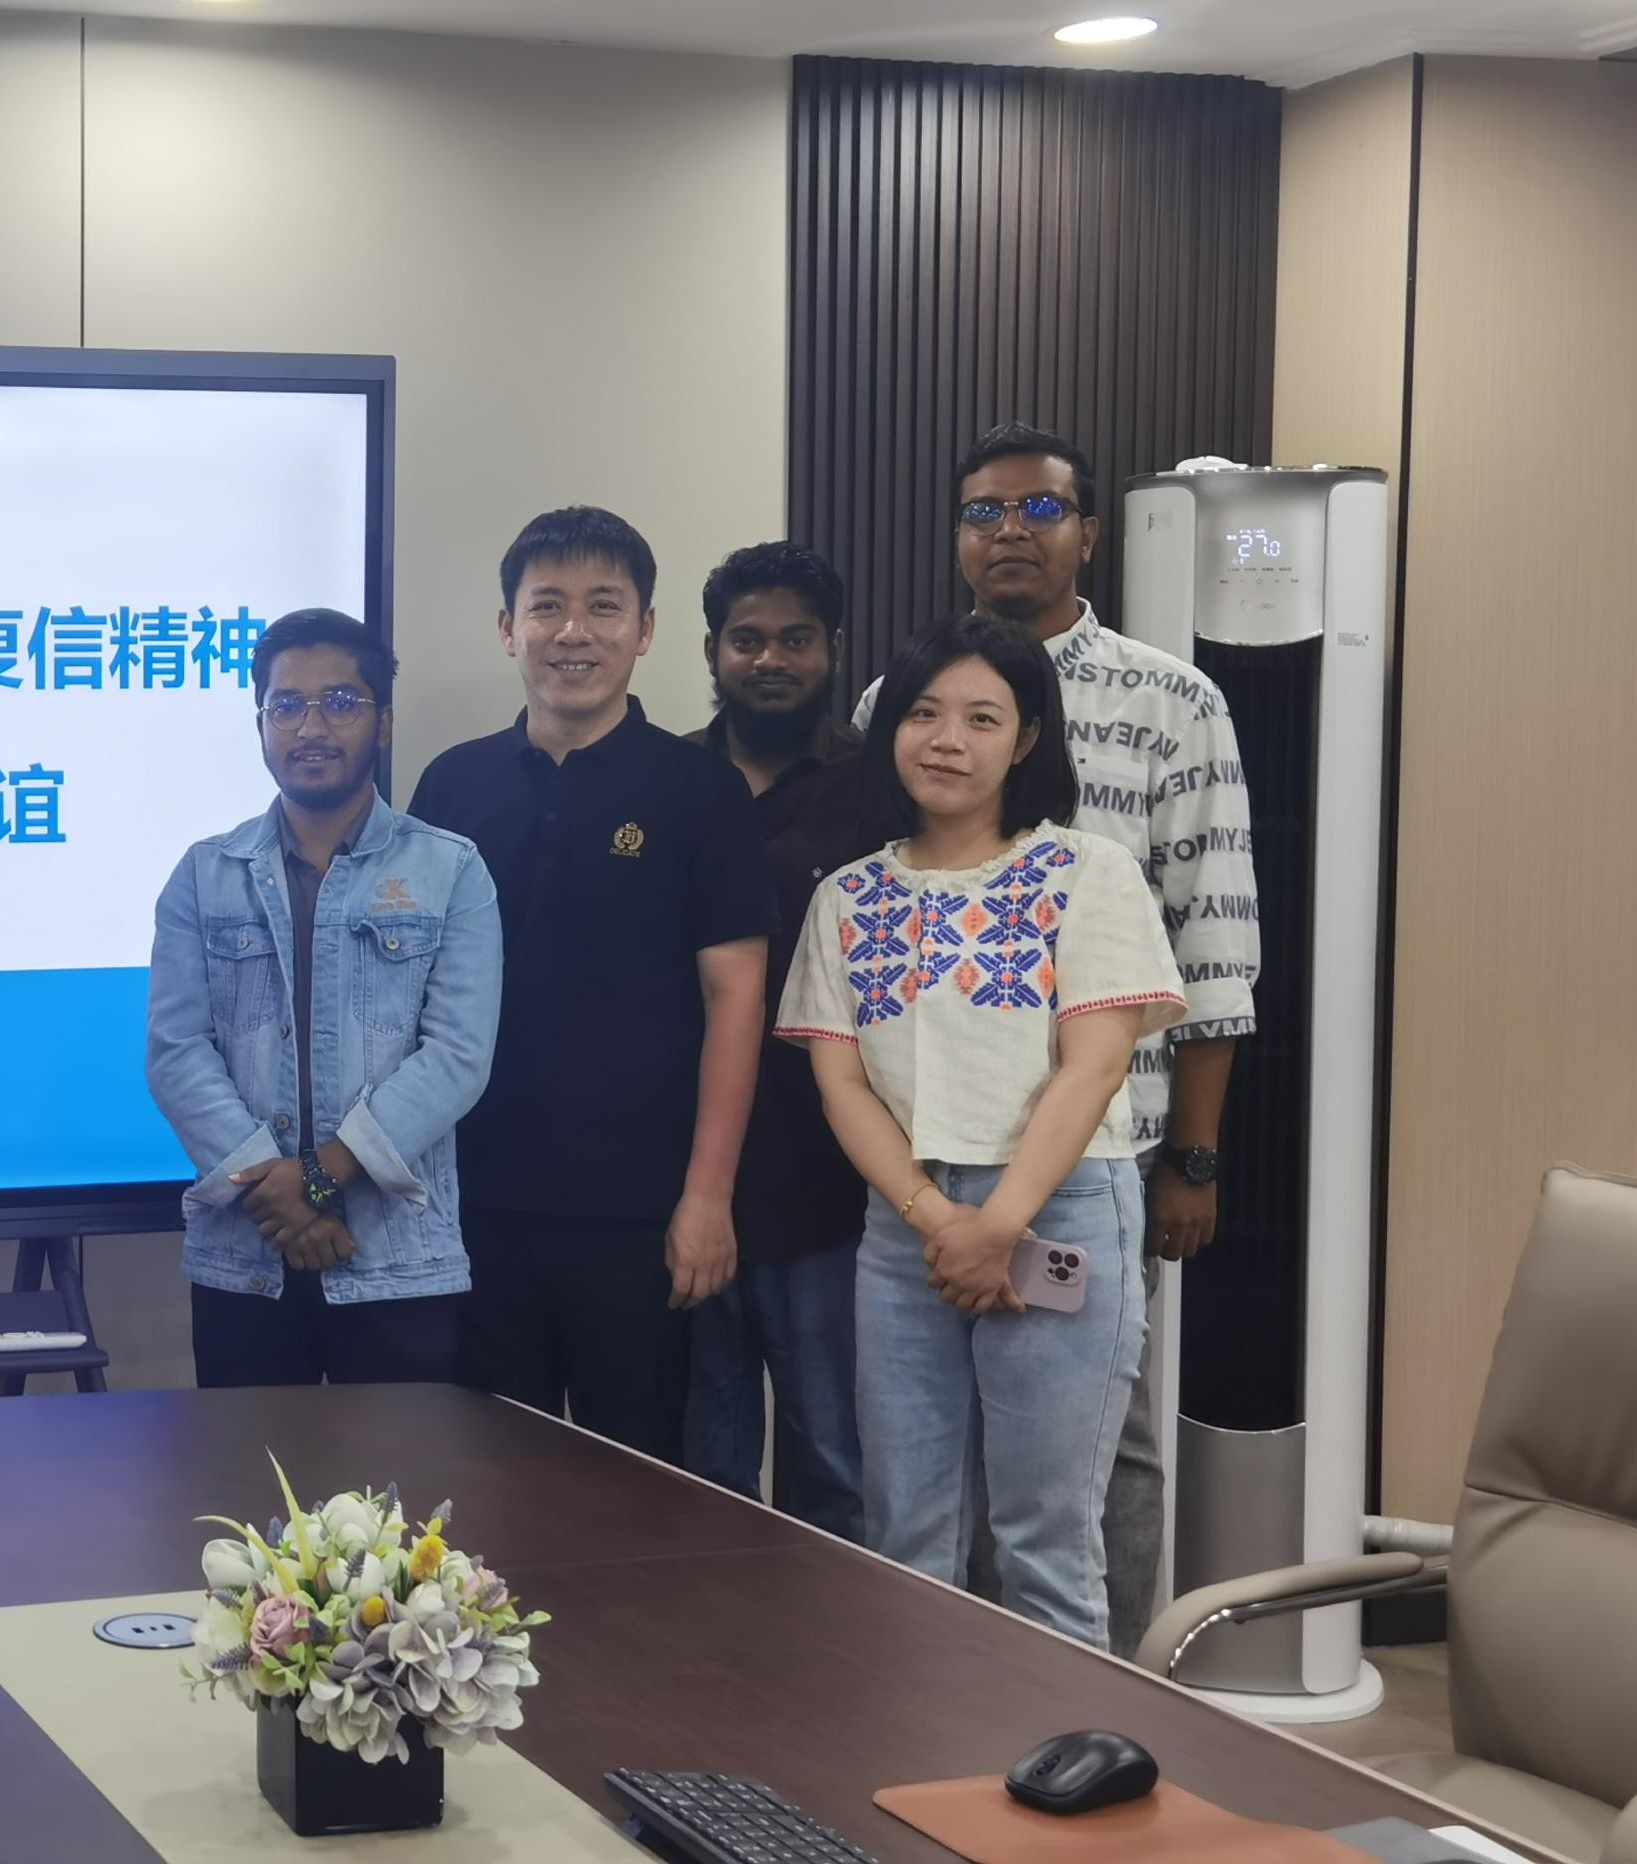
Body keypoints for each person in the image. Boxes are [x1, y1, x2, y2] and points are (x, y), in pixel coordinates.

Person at [860, 423, 1262, 1648]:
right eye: (983, 512)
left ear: (1088, 532)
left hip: (1095, 1151)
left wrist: (1192, 1155)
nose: (1010, 532)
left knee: (1092, 1453)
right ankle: (955, 1696)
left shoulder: (1172, 697)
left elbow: (1215, 940)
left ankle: (1106, 1698)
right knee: (927, 1479)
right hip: (925, 1156)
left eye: (1039, 510)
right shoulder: (890, 703)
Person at [782, 618, 1186, 1647]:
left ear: (1026, 739)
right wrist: (937, 1219)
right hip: (904, 1229)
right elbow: (840, 1082)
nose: (947, 740)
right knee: (905, 1535)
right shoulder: (847, 896)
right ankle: (925, 1746)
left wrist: (996, 1224)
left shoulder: (1088, 872)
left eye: (981, 718)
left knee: (1045, 1540)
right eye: (922, 714)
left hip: (1059, 1212)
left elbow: (1095, 1065)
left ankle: (1065, 1749)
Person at [407, 508, 765, 1457]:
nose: (574, 632)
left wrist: (708, 1198)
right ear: (507, 627)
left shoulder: (702, 791)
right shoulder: (452, 786)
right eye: (547, 606)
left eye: (604, 607)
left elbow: (735, 999)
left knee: (633, 1494)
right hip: (473, 1203)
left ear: (645, 630)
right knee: (485, 1483)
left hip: (639, 1214)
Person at [147, 608, 499, 1387]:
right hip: (247, 1259)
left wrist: (318, 1178)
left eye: (340, 702)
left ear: (384, 722)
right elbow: (177, 1053)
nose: (311, 727)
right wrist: (277, 1194)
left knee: (400, 1471)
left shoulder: (451, 870)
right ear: (260, 725)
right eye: (287, 705)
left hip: (396, 1258)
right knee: (247, 1467)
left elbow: (457, 1056)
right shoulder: (203, 875)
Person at [679, 542, 875, 1539]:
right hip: (681, 1176)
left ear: (833, 647)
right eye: (746, 639)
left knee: (833, 1460)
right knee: (698, 1463)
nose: (769, 660)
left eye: (795, 639)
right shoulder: (666, 778)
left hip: (829, 1184)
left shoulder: (880, 787)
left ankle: (830, 1641)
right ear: (711, 650)